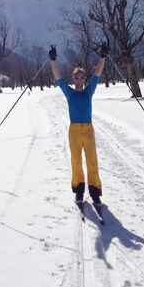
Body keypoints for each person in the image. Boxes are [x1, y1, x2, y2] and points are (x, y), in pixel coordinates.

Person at [49, 43, 108, 209]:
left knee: (92, 161)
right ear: (73, 79)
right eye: (77, 77)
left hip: (88, 130)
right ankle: (79, 190)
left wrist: (103, 57)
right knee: (76, 161)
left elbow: (97, 72)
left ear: (85, 79)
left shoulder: (89, 91)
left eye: (82, 77)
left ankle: (95, 192)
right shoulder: (69, 93)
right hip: (74, 131)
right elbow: (58, 77)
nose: (80, 80)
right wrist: (53, 60)